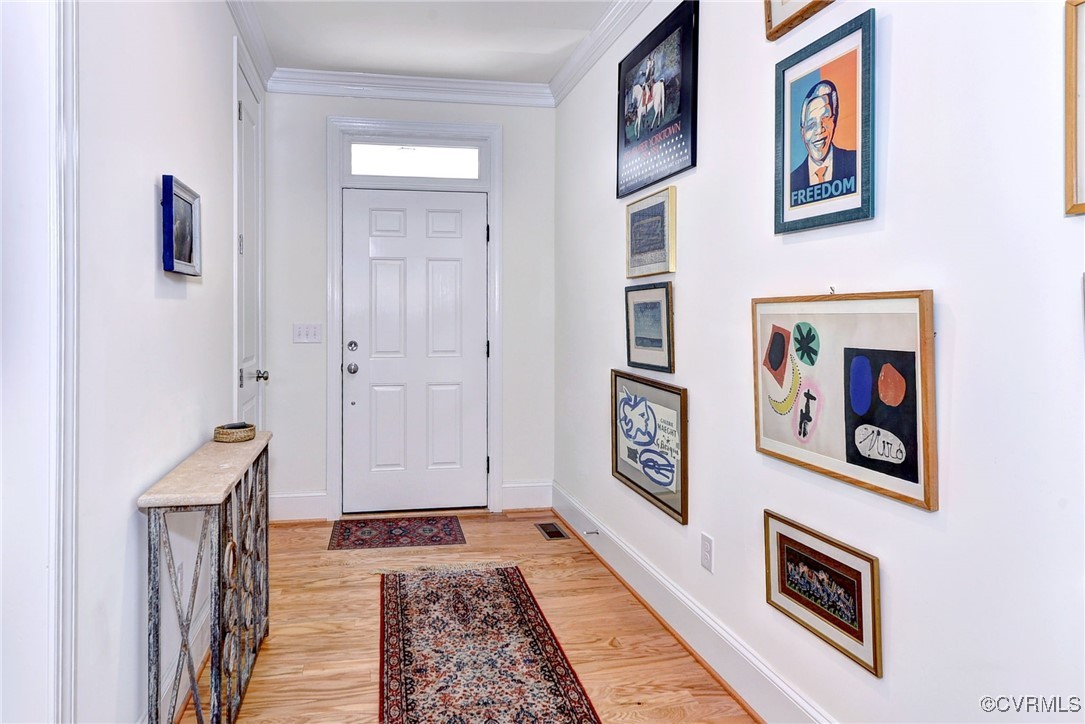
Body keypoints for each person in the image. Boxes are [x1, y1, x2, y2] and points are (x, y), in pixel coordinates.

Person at [789, 80, 857, 207]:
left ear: (834, 121)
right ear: (803, 133)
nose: (819, 130)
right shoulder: (791, 182)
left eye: (825, 119)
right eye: (811, 124)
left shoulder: (855, 163)